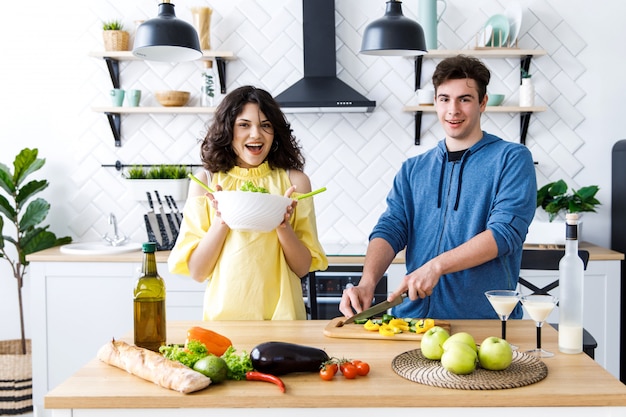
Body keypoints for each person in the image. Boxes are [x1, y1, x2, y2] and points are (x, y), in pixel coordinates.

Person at [339, 55, 536, 320]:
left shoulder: (511, 158)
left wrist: (437, 266)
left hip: (483, 322)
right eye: (444, 99)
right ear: (435, 102)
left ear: (483, 103)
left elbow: (504, 234)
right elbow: (392, 228)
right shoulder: (413, 169)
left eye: (464, 99)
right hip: (413, 322)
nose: (453, 110)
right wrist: (367, 282)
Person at [168, 85, 328, 320]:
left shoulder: (294, 182)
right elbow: (198, 271)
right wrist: (222, 218)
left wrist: (282, 224)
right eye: (244, 125)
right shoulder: (207, 182)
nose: (256, 134)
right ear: (228, 130)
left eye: (265, 125)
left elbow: (302, 268)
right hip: (224, 322)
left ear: (275, 133)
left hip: (283, 319)